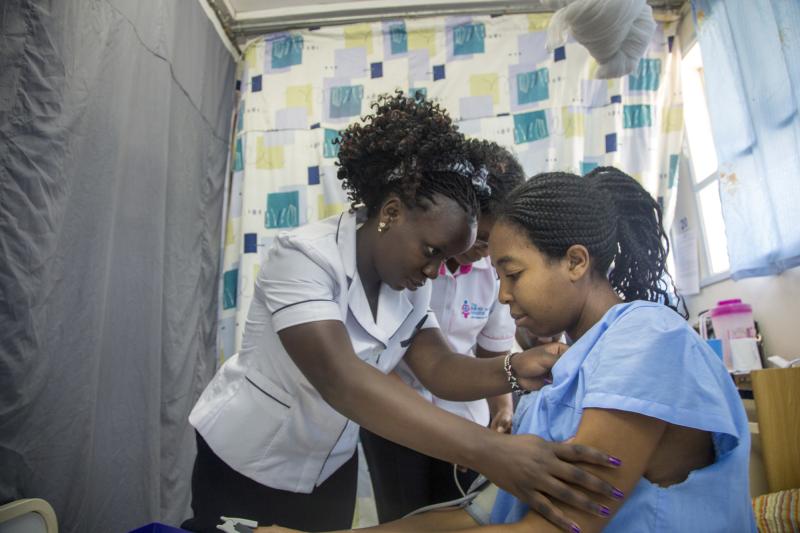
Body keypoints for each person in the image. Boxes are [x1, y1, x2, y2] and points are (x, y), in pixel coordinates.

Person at [181, 94, 622, 533]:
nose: (434, 272)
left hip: (327, 469)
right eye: (432, 252)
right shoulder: (304, 258)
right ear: (391, 213)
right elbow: (342, 379)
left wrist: (514, 367)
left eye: (448, 260)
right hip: (245, 460)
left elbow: (440, 368)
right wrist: (490, 451)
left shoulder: (409, 289)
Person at [260, 166, 755, 533]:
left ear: (576, 262)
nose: (501, 295)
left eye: (512, 274)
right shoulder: (574, 360)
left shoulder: (647, 341)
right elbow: (486, 510)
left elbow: (558, 526)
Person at [359, 139, 524, 522]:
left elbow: (491, 353)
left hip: (464, 416)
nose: (478, 249)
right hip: (394, 415)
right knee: (403, 517)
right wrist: (446, 434)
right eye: (475, 237)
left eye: (488, 243)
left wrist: (502, 408)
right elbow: (371, 362)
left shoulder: (493, 273)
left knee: (455, 518)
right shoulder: (405, 262)